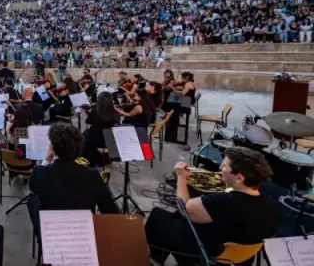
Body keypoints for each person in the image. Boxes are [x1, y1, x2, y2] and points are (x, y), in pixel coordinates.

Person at [146, 147, 279, 266]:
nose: (220, 168)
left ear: (239, 177)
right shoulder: (271, 202)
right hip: (241, 257)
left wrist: (181, 177)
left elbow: (184, 207)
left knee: (159, 216)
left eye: (225, 165)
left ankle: (157, 258)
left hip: (209, 252)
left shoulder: (223, 202)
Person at [27, 123, 118, 233]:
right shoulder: (92, 175)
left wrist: (46, 160)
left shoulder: (41, 172)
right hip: (82, 231)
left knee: (32, 200)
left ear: (53, 148)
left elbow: (33, 185)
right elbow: (109, 210)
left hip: (52, 231)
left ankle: (40, 236)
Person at [81, 92, 120, 167]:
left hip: (95, 139)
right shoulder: (116, 113)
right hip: (108, 139)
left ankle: (89, 159)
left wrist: (84, 112)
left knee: (84, 135)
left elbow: (87, 121)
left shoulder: (95, 112)